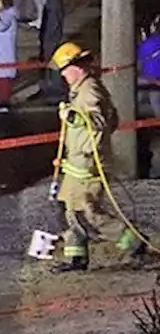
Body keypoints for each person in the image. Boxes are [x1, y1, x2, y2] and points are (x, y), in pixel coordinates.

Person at [48, 42, 152, 272]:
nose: (63, 75)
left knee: (90, 213)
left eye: (64, 70)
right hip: (76, 163)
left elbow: (101, 122)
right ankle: (77, 258)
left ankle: (135, 245)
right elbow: (112, 120)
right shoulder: (80, 89)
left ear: (75, 66)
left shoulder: (90, 90)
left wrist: (73, 117)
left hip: (89, 166)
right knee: (70, 211)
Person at [34, 0, 66, 102]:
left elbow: (54, 21)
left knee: (52, 63)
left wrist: (49, 38)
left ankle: (54, 91)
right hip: (49, 37)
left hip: (51, 38)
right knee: (47, 63)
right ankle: (48, 88)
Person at [138, 16, 160, 118]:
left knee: (137, 100)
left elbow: (140, 60)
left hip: (145, 78)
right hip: (156, 79)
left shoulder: (146, 44)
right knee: (156, 103)